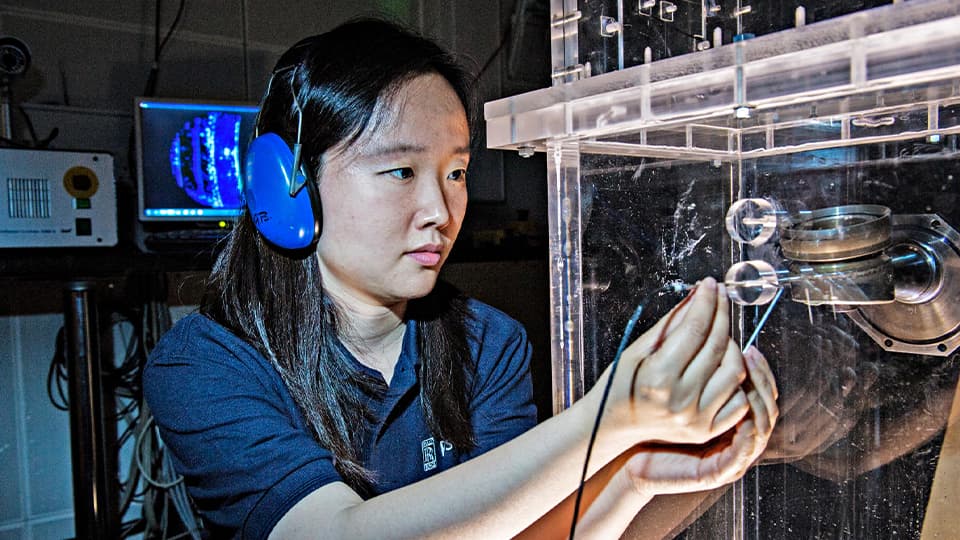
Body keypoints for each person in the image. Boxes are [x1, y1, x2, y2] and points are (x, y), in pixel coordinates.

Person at [143, 18, 778, 540]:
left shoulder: (488, 342)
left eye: (455, 173)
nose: (442, 214)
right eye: (400, 172)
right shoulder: (205, 364)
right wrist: (605, 420)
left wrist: (638, 476)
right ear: (285, 189)